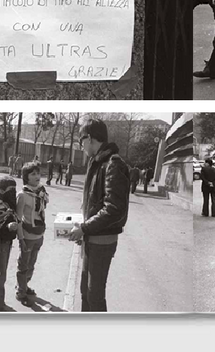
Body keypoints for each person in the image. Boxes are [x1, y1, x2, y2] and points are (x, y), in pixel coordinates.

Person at [68, 119, 130, 312]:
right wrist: (84, 229)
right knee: (85, 292)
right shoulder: (98, 162)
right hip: (92, 237)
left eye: (81, 141)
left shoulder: (113, 164)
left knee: (94, 296)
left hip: (102, 241)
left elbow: (114, 209)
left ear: (90, 138)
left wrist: (85, 228)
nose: (81, 146)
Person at [15, 162, 48, 306]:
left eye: (38, 173)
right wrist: (21, 238)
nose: (37, 177)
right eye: (33, 174)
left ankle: (24, 286)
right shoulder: (22, 195)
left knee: (32, 265)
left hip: (39, 235)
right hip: (27, 237)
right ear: (25, 177)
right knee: (23, 266)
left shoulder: (41, 192)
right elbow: (18, 219)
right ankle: (20, 292)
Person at [0, 175, 20, 311]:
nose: (13, 192)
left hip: (6, 243)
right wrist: (8, 227)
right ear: (1, 191)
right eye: (10, 189)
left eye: (14, 189)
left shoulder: (8, 203)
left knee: (2, 273)